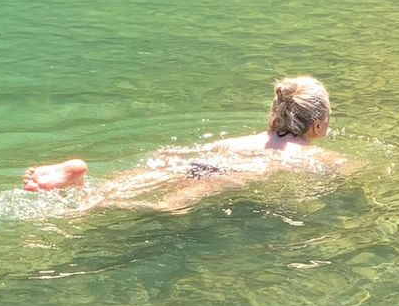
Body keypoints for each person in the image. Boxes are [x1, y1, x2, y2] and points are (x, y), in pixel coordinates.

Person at [21, 75, 342, 212]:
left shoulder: (237, 141)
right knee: (167, 207)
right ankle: (85, 201)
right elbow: (345, 174)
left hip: (197, 162)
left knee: (136, 183)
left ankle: (83, 185)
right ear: (317, 124)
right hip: (235, 174)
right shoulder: (311, 156)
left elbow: (203, 158)